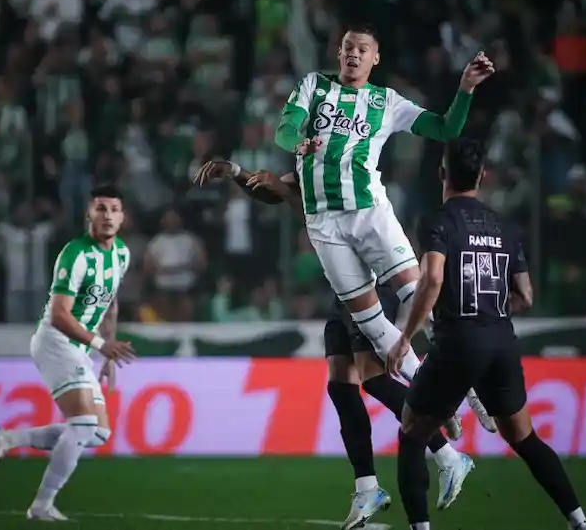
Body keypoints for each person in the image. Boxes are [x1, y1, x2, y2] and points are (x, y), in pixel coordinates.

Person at [194, 159, 483, 530]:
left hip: (369, 278)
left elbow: (301, 203)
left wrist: (276, 188)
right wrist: (235, 172)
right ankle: (370, 487)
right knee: (342, 385)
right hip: (341, 283)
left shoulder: (342, 165)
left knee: (374, 377)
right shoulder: (307, 164)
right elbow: (269, 190)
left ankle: (445, 450)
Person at [273, 25, 498, 429]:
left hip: (371, 213)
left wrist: (465, 88)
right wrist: (297, 143)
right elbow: (285, 128)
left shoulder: (385, 101)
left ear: (375, 58)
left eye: (362, 49)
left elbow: (446, 128)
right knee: (372, 323)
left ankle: (471, 390)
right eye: (347, 48)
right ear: (338, 54)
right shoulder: (314, 86)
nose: (353, 54)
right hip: (324, 223)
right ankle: (434, 395)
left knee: (420, 298)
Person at [386, 140, 586, 530]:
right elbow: (526, 295)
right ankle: (580, 522)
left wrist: (404, 339)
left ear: (442, 175)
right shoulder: (504, 225)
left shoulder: (438, 221)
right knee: (524, 437)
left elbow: (431, 279)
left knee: (413, 431)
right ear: (483, 176)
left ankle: (420, 527)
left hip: (459, 341)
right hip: (501, 340)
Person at [0, 185, 138, 521]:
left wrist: (107, 355)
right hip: (55, 341)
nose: (107, 215)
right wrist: (101, 345)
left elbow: (110, 303)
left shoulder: (121, 254)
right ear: (88, 215)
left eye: (114, 209)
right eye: (100, 208)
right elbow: (59, 315)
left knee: (97, 432)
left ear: (123, 218)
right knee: (81, 426)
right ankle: (40, 506)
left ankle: (6, 439)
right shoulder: (75, 254)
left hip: (81, 347)